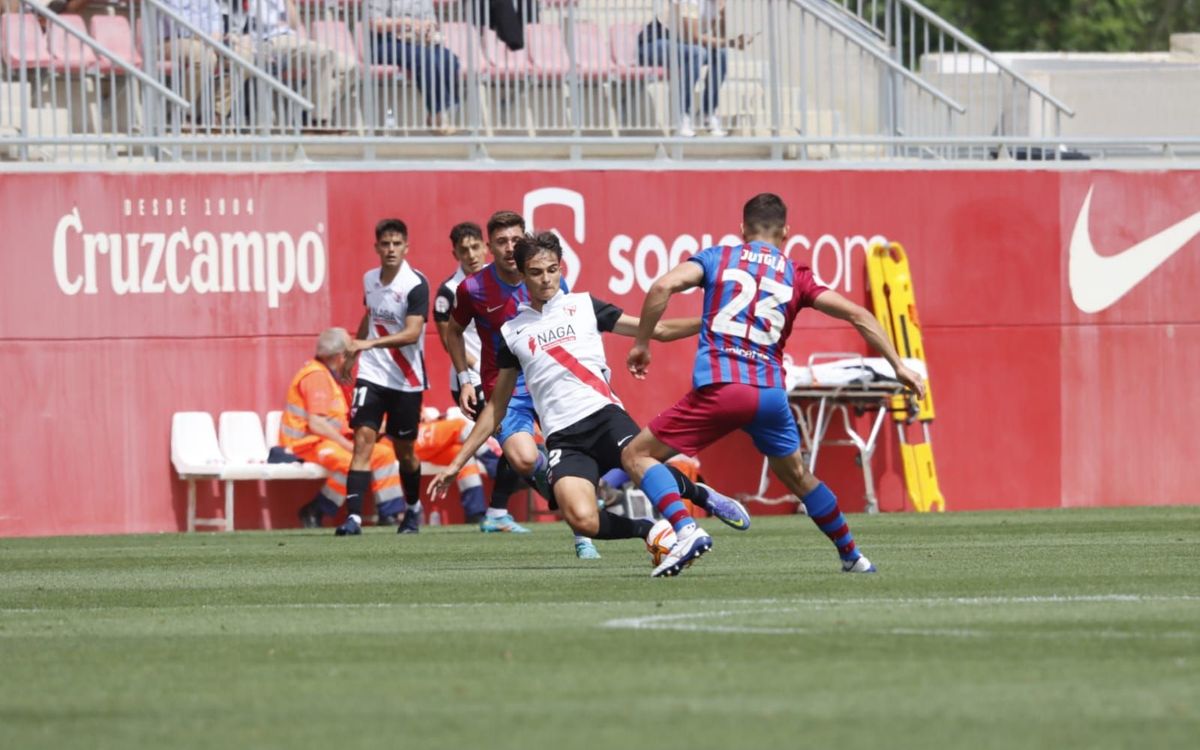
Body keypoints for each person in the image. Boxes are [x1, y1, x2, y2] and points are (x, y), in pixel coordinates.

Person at [623, 192, 926, 573]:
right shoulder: (797, 275)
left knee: (636, 455)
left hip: (722, 386)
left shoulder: (718, 257)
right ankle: (853, 556)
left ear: (741, 230)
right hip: (770, 395)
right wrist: (897, 366)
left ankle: (685, 530)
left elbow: (660, 288)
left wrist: (641, 344)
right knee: (797, 475)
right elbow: (859, 314)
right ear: (786, 232)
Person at [430, 232, 750, 575]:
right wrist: (456, 464)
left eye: (553, 269)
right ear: (522, 275)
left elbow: (657, 330)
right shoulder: (512, 333)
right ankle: (653, 529)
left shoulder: (583, 305)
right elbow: (496, 408)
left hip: (603, 416)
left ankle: (687, 528)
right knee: (581, 519)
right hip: (564, 439)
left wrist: (714, 324)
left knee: (637, 463)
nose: (547, 278)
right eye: (536, 272)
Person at [441, 211, 570, 545]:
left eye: (516, 240)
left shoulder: (547, 280)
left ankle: (581, 526)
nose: (510, 247)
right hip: (503, 386)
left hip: (547, 379)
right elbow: (453, 332)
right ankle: (543, 484)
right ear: (490, 247)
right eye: (501, 242)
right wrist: (465, 378)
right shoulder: (472, 289)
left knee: (573, 454)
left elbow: (569, 330)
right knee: (522, 458)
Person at [338, 218, 431, 536]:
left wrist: (368, 343)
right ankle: (353, 519)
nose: (391, 249)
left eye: (397, 244)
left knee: (404, 450)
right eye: (385, 244)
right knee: (362, 439)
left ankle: (413, 508)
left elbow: (412, 333)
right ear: (376, 247)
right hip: (372, 373)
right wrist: (353, 353)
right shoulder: (369, 279)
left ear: (407, 247)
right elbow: (370, 316)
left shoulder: (416, 283)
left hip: (406, 380)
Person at [276, 328, 406, 529]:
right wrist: (348, 444)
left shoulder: (329, 376)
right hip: (305, 444)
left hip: (325, 441)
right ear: (339, 356)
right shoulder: (316, 376)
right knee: (351, 462)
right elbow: (317, 423)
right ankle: (316, 509)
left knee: (384, 454)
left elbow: (336, 419)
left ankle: (390, 513)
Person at [228, 0, 358, 128]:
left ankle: (303, 107)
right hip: (266, 41)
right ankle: (317, 120)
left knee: (349, 66)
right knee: (325, 56)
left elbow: (294, 24)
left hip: (290, 38)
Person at [637, 0, 753, 137]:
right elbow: (693, 37)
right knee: (697, 53)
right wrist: (732, 43)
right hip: (652, 45)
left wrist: (722, 14)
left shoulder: (713, 4)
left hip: (680, 44)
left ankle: (707, 113)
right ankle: (681, 116)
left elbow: (718, 39)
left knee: (721, 54)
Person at [368, 0, 461, 134]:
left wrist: (429, 29)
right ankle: (438, 113)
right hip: (386, 42)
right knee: (425, 58)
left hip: (417, 41)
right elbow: (374, 23)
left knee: (449, 59)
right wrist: (405, 23)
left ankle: (444, 111)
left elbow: (432, 22)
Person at [414, 406, 488, 523]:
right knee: (460, 425)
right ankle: (492, 461)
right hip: (402, 437)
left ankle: (475, 513)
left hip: (425, 439)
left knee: (463, 456)